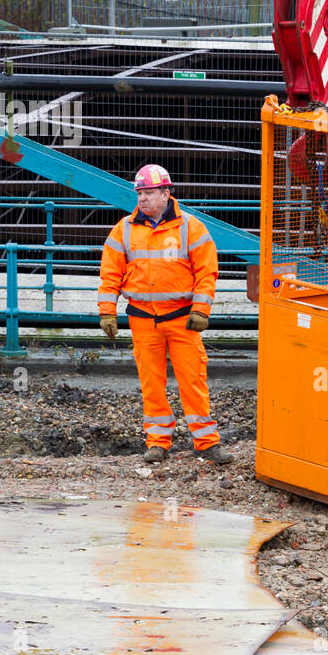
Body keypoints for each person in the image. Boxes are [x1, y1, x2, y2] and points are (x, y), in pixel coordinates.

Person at [98, 164, 231, 465]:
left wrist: (200, 311)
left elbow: (206, 272)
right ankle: (158, 442)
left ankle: (206, 442)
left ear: (166, 193)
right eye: (140, 193)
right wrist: (107, 312)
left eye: (148, 193)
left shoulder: (190, 227)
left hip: (182, 319)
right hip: (143, 319)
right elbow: (110, 274)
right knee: (152, 382)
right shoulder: (125, 229)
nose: (142, 199)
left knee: (192, 380)